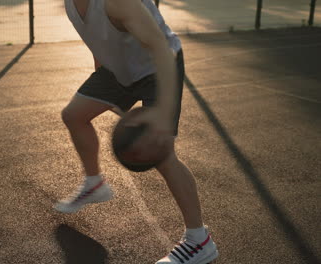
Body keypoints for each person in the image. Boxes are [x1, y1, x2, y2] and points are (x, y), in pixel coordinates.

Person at [54, 0, 218, 263]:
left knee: (162, 155)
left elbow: (161, 48)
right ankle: (94, 184)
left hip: (159, 66)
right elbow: (98, 38)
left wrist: (162, 116)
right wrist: (104, 84)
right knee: (74, 115)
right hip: (119, 69)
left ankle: (199, 241)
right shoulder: (71, 4)